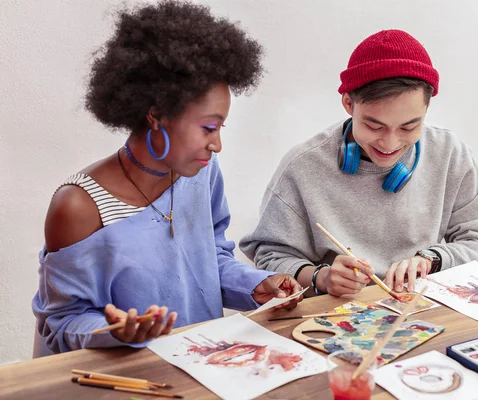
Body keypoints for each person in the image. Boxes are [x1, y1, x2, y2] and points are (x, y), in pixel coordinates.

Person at [32, 0, 302, 356]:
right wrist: (115, 330)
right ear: (157, 115)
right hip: (120, 380)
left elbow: (209, 260)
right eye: (208, 127)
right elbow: (63, 321)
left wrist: (256, 285)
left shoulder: (201, 174)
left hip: (199, 367)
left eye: (221, 128)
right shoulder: (78, 206)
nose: (217, 144)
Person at [240, 29, 478, 298]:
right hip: (338, 315)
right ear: (348, 104)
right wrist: (322, 277)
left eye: (409, 127)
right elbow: (269, 257)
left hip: (422, 308)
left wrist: (432, 260)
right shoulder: (302, 167)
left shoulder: (450, 153)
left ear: (426, 109)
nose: (390, 144)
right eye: (373, 125)